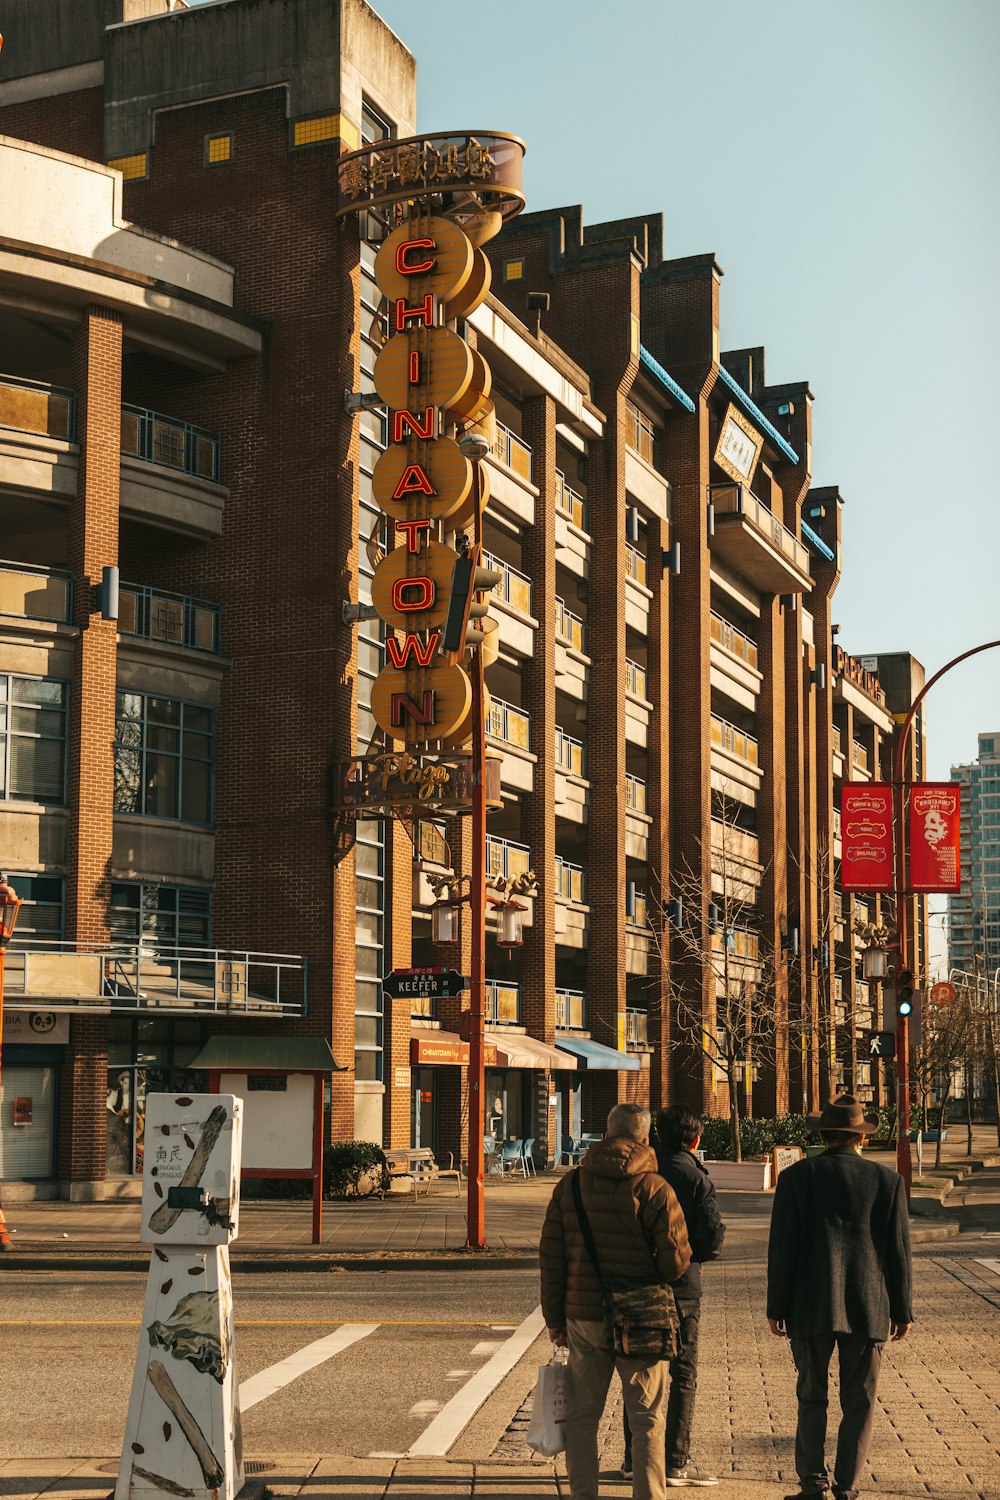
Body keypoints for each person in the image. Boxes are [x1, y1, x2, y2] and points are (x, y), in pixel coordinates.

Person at [540, 1102, 692, 1500]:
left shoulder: (570, 1185)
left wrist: (554, 1318)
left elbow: (551, 1257)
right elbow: (676, 1261)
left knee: (582, 1418)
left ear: (604, 1135)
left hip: (583, 1315)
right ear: (646, 1139)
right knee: (647, 1421)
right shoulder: (656, 1188)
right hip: (641, 1315)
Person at [767, 1094, 913, 1500]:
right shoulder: (888, 1182)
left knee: (811, 1395)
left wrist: (776, 1306)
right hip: (869, 1304)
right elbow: (898, 1252)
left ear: (824, 1136)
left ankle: (812, 1483)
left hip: (809, 1303)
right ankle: (847, 1485)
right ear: (860, 1139)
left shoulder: (796, 1178)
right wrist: (902, 1309)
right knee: (860, 1401)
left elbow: (783, 1248)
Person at [622, 1106, 725, 1486]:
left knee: (640, 1373)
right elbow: (712, 1237)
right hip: (682, 1286)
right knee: (682, 1374)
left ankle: (634, 1459)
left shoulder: (639, 1171)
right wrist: (690, 1253)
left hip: (637, 1282)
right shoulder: (695, 1176)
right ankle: (675, 1461)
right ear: (695, 1140)